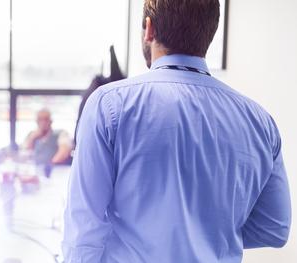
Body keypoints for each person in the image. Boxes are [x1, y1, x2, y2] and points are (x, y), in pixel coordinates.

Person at [63, 0, 291, 262]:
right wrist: (205, 236)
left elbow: (83, 230)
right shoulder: (261, 121)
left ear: (149, 29)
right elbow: (274, 227)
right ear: (209, 33)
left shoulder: (110, 104)